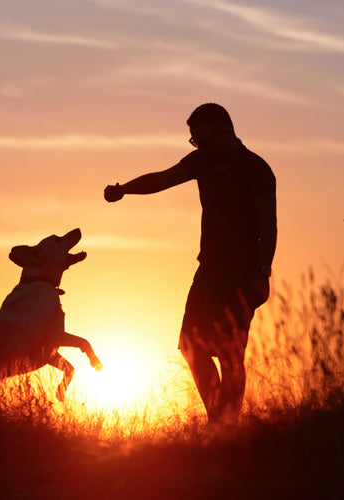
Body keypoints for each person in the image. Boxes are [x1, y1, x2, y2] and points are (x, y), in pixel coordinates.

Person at [104, 103, 277, 427]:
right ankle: (219, 422)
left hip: (241, 272)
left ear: (223, 132)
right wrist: (124, 189)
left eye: (200, 140)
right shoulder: (202, 162)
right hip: (208, 269)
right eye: (193, 143)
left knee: (230, 355)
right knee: (189, 344)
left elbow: (269, 227)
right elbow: (162, 179)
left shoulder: (256, 169)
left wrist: (262, 274)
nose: (196, 148)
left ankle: (226, 430)